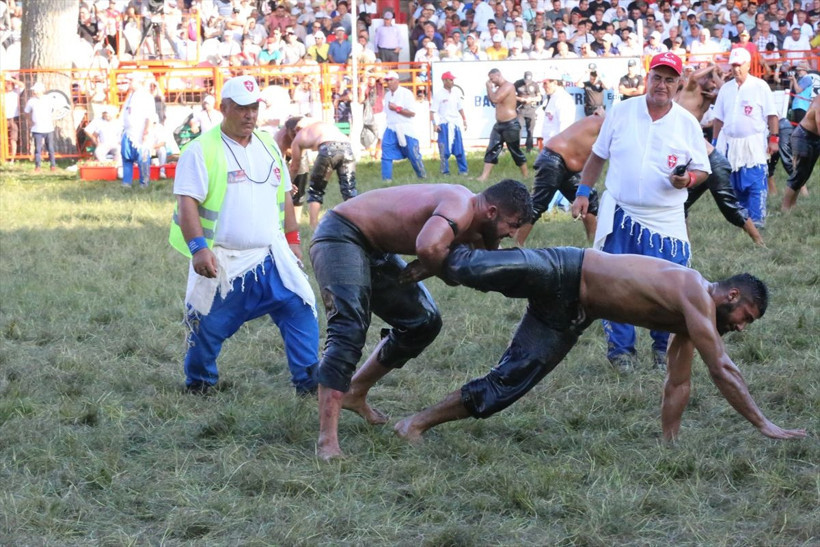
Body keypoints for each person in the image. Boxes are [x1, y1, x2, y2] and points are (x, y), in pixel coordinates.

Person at [393, 245, 807, 443]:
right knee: (475, 267)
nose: (741, 328)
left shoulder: (690, 323)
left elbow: (679, 383)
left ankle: (414, 423)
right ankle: (408, 251)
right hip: (567, 268)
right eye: (745, 318)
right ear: (732, 297)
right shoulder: (694, 291)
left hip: (569, 313)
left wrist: (670, 441)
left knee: (507, 385)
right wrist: (763, 423)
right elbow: (723, 369)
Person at [309, 179, 533, 460]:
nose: (512, 233)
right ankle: (327, 441)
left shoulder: (479, 229)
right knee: (349, 328)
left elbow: (471, 266)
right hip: (342, 233)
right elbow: (428, 247)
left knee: (423, 321)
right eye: (512, 225)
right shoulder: (460, 206)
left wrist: (430, 269)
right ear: (491, 211)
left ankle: (356, 390)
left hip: (376, 247)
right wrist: (429, 266)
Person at [168, 75, 319, 396]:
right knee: (206, 326)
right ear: (224, 108)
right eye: (241, 108)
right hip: (224, 260)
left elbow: (284, 198)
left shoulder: (267, 144)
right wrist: (198, 249)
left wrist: (293, 243)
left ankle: (309, 381)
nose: (249, 115)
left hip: (272, 254)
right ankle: (200, 383)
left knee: (300, 307)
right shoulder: (200, 150)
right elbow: (186, 204)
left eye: (253, 107)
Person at [573, 52, 711, 373]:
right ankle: (621, 352)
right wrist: (582, 192)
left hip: (665, 222)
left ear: (678, 85)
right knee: (615, 286)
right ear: (647, 78)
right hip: (621, 214)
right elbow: (597, 156)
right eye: (657, 78)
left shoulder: (687, 123)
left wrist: (686, 179)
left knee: (668, 289)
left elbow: (702, 170)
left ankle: (663, 350)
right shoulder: (622, 111)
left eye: (669, 80)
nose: (662, 85)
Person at [676, 64, 764, 246]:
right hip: (697, 161)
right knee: (679, 204)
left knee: (730, 207)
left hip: (712, 161)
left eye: (712, 79)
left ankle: (759, 242)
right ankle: (686, 245)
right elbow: (696, 78)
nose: (710, 81)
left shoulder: (699, 94)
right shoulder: (689, 92)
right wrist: (714, 72)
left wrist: (713, 69)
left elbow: (702, 80)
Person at [712, 47, 778, 228]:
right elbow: (718, 118)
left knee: (755, 182)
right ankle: (743, 221)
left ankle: (757, 220)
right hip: (730, 144)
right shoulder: (726, 89)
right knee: (735, 184)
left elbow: (772, 115)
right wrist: (715, 142)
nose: (736, 69)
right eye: (733, 65)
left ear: (748, 65)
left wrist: (774, 139)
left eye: (739, 65)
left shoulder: (760, 86)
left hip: (753, 142)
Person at [517, 114, 604, 246]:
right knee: (537, 204)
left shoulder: (602, 120)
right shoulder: (608, 123)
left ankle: (595, 244)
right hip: (553, 159)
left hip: (565, 165)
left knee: (590, 199)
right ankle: (515, 246)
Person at [284, 117, 358, 229]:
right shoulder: (320, 124)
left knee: (315, 190)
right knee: (349, 190)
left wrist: (288, 183)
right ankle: (356, 223)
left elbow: (294, 167)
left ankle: (314, 226)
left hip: (328, 148)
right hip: (347, 146)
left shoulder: (298, 138)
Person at [477, 68, 529, 183]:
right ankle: (484, 176)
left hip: (511, 124)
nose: (491, 81)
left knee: (515, 150)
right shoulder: (500, 88)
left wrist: (489, 87)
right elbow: (493, 100)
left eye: (492, 79)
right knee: (492, 149)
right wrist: (490, 88)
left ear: (498, 75)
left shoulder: (508, 86)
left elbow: (495, 99)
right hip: (499, 124)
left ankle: (526, 175)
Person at [381, 71, 427, 183]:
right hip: (391, 127)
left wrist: (397, 108)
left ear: (397, 81)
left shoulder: (406, 93)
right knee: (386, 151)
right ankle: (386, 179)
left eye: (391, 80)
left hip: (405, 128)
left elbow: (412, 113)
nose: (389, 82)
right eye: (387, 80)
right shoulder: (387, 95)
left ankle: (422, 175)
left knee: (413, 154)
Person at [782, 95, 820, 212]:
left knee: (805, 175)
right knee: (799, 173)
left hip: (815, 138)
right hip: (803, 136)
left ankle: (793, 204)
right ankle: (785, 208)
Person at [120, 73, 156, 188]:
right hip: (128, 131)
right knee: (126, 158)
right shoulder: (130, 96)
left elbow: (150, 116)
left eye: (131, 80)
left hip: (141, 131)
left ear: (139, 81)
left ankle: (144, 183)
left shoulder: (146, 96)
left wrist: (146, 131)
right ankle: (126, 182)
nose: (129, 83)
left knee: (143, 158)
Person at [430, 71, 468, 176]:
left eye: (452, 80)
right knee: (443, 149)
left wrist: (464, 119)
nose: (452, 82)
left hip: (455, 124)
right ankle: (444, 171)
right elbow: (432, 111)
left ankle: (463, 170)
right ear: (444, 81)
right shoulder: (439, 95)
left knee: (459, 148)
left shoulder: (456, 93)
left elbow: (460, 108)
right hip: (444, 124)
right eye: (450, 80)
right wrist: (434, 124)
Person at [23, 81, 57, 173]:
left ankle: (53, 165)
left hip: (48, 128)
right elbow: (26, 112)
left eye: (36, 90)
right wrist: (30, 122)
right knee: (38, 149)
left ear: (41, 90)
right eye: (34, 91)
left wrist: (52, 117)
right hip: (37, 129)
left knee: (50, 148)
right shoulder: (31, 101)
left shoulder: (49, 99)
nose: (34, 92)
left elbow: (55, 110)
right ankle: (37, 166)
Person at [540, 70, 577, 144]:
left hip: (557, 146)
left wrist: (560, 147)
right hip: (551, 144)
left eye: (545, 83)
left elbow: (565, 126)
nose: (543, 86)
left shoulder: (563, 99)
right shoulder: (553, 97)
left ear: (555, 83)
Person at [514, 71, 542, 154]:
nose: (527, 83)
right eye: (526, 81)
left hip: (531, 109)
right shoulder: (517, 83)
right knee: (518, 128)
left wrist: (531, 99)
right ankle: (517, 149)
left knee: (530, 130)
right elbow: (511, 94)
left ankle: (529, 149)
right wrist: (520, 99)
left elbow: (539, 97)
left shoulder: (535, 85)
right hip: (520, 109)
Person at [3, 74, 24, 162]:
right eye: (7, 83)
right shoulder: (2, 93)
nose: (8, 84)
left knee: (13, 139)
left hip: (14, 118)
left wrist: (11, 79)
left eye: (10, 83)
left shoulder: (16, 91)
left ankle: (12, 159)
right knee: (2, 139)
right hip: (3, 118)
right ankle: (3, 158)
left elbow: (22, 85)